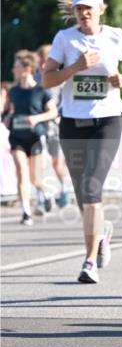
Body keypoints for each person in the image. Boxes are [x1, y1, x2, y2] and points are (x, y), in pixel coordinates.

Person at [42, 0, 122, 282]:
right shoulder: (64, 38)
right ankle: (102, 232)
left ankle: (89, 261)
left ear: (101, 9)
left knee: (92, 188)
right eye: (79, 9)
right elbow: (47, 80)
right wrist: (76, 67)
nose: (83, 13)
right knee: (83, 193)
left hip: (106, 121)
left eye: (89, 8)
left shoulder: (116, 36)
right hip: (72, 122)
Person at [5, 51, 58, 225]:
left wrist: (36, 118)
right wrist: (8, 117)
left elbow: (53, 112)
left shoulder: (41, 90)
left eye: (16, 67)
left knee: (35, 179)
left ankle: (47, 193)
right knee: (22, 172)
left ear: (27, 69)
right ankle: (26, 212)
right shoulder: (13, 91)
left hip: (35, 137)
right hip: (17, 137)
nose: (13, 70)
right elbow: (10, 110)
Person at [36, 43, 70, 208]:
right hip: (37, 127)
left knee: (57, 163)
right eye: (41, 60)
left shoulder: (61, 80)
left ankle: (64, 190)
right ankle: (43, 198)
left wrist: (60, 116)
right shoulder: (34, 79)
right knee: (39, 164)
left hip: (56, 127)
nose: (43, 64)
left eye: (46, 60)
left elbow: (66, 102)